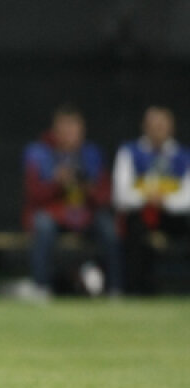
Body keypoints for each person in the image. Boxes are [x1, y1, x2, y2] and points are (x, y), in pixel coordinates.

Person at [22, 103, 120, 299]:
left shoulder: (92, 154)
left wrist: (86, 188)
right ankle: (41, 286)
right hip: (55, 211)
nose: (69, 135)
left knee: (109, 228)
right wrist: (57, 183)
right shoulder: (39, 154)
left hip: (85, 213)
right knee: (42, 224)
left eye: (73, 130)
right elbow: (33, 195)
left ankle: (115, 288)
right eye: (64, 130)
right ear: (55, 131)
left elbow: (105, 196)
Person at [113, 106, 190, 294]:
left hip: (175, 218)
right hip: (141, 217)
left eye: (162, 125)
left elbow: (188, 197)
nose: (158, 130)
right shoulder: (129, 152)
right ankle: (136, 291)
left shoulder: (183, 156)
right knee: (134, 229)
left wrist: (166, 201)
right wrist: (148, 197)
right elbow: (120, 196)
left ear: (171, 128)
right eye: (153, 125)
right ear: (144, 127)